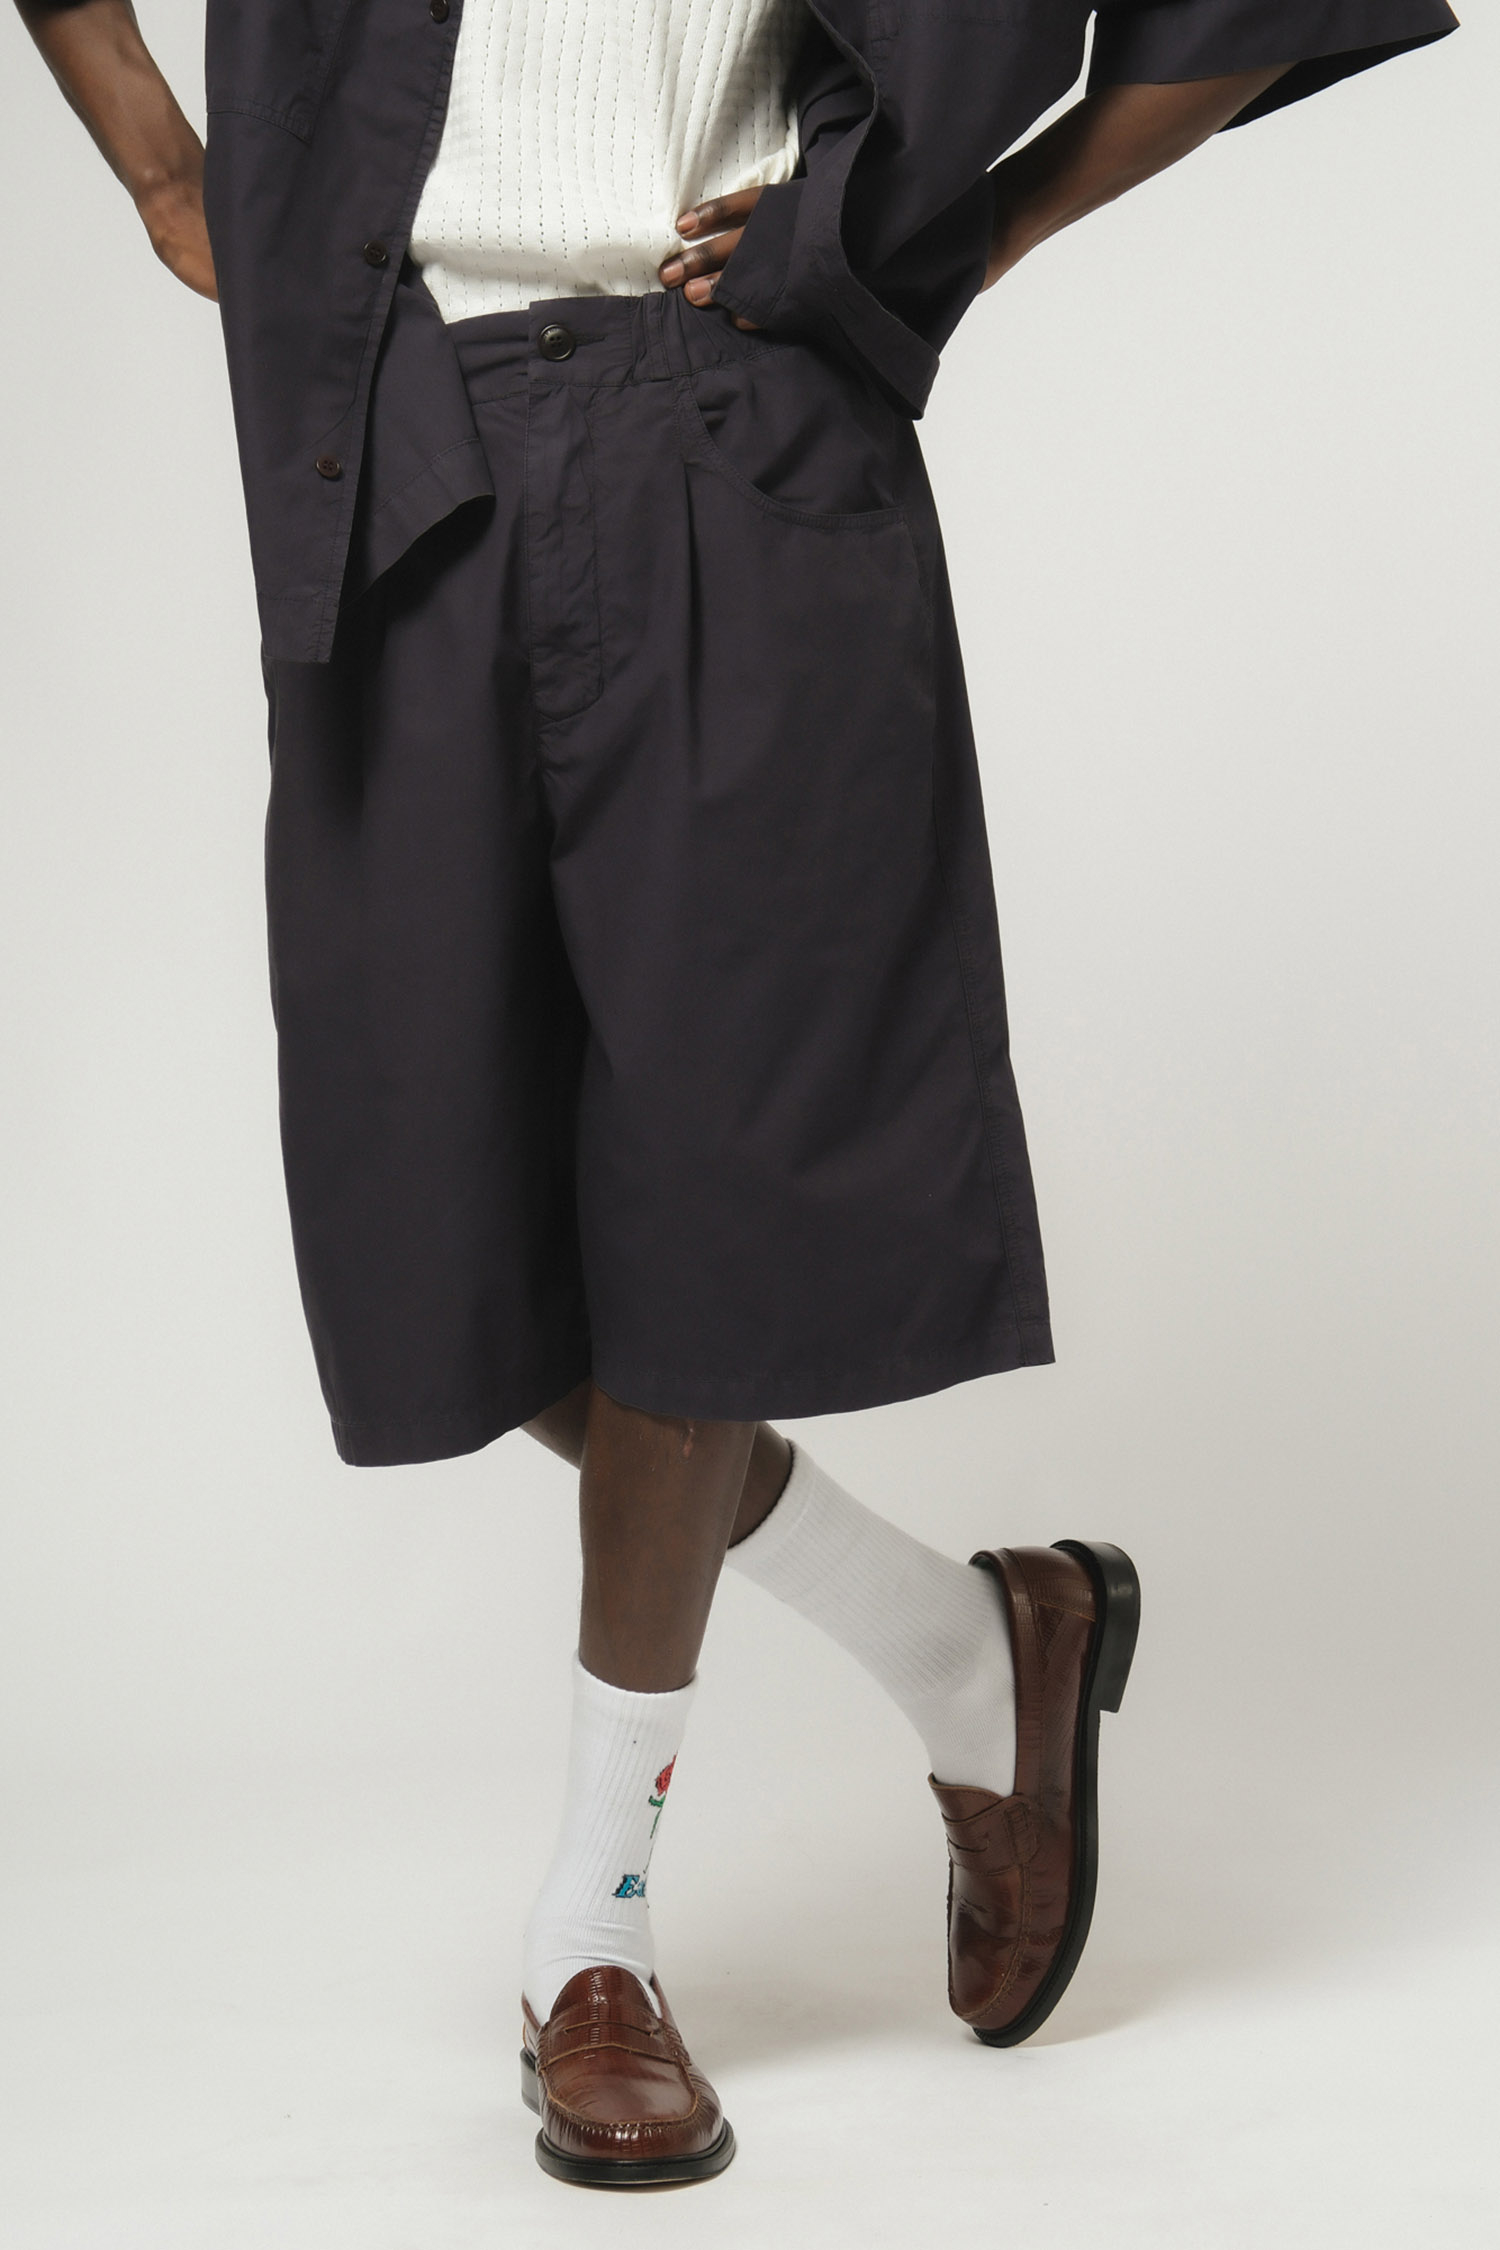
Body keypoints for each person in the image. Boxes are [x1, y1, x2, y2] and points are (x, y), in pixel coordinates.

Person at [17, 0, 1458, 2192]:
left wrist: (955, 235)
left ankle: (593, 1933)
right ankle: (974, 1643)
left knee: (694, 1219)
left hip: (733, 432)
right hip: (387, 433)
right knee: (434, 1241)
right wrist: (154, 156)